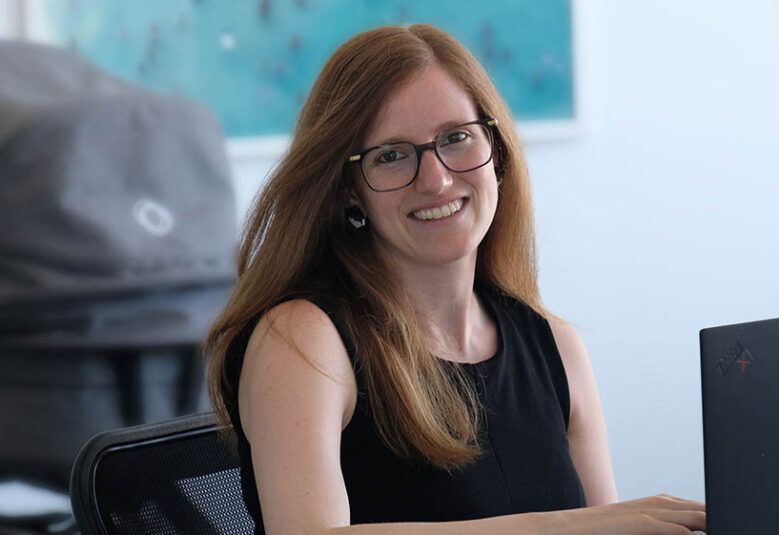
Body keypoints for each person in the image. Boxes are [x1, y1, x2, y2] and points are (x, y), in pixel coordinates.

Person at [206, 24, 706, 535]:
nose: (437, 179)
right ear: (348, 191)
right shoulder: (302, 339)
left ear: (498, 148)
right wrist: (559, 527)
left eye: (456, 138)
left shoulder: (556, 345)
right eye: (392, 155)